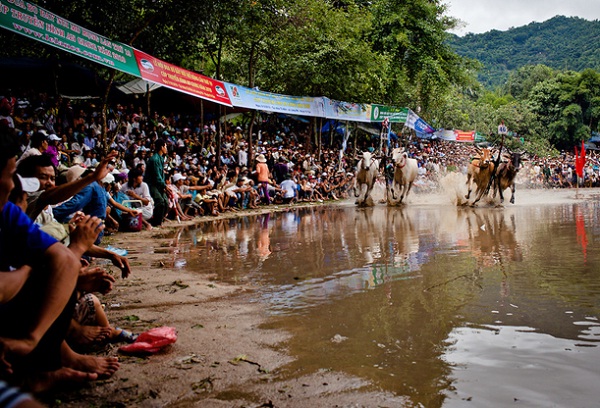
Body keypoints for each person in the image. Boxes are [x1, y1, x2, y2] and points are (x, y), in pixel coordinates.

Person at [0, 129, 116, 392]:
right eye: (9, 176)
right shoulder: (17, 205)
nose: (11, 185)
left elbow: (60, 258)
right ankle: (40, 368)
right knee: (61, 274)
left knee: (65, 271)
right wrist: (71, 253)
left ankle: (51, 356)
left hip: (23, 299)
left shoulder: (8, 210)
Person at [145, 139, 169, 227]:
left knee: (166, 202)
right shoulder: (154, 159)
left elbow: (161, 175)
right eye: (166, 146)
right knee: (160, 201)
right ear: (162, 147)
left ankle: (160, 220)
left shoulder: (161, 158)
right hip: (152, 184)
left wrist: (164, 185)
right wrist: (165, 186)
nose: (166, 148)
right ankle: (156, 223)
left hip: (159, 184)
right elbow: (157, 176)